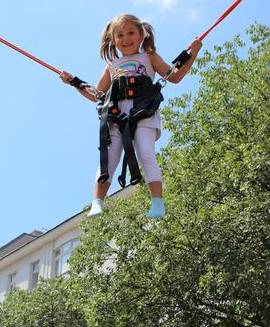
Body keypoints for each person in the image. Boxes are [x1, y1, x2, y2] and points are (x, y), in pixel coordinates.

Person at [60, 14, 202, 219]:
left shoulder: (149, 56)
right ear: (113, 40)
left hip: (143, 114)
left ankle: (157, 201)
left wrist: (192, 53)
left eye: (130, 33)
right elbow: (97, 95)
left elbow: (174, 76)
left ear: (141, 34)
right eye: (120, 35)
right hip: (117, 118)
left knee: (145, 152)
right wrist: (74, 82)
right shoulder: (112, 65)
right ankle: (97, 201)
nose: (126, 38)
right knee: (109, 156)